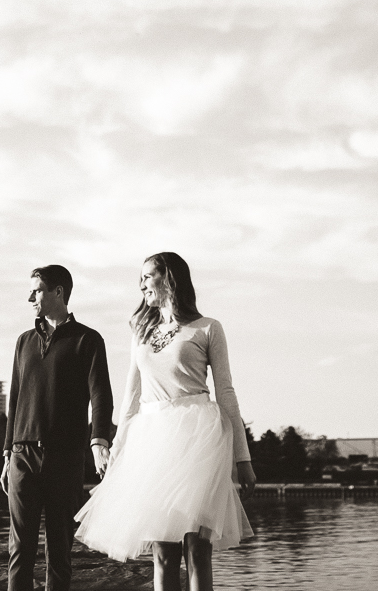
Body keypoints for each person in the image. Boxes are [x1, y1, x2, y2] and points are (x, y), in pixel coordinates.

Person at [74, 252, 256, 591]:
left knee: (197, 548)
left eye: (147, 275)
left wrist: (242, 458)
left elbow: (226, 393)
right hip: (152, 441)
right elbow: (130, 398)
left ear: (169, 278)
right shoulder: (142, 332)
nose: (141, 283)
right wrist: (117, 451)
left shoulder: (207, 328)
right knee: (163, 551)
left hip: (199, 439)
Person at [2, 265, 114, 591]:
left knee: (59, 551)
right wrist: (8, 453)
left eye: (36, 291)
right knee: (19, 548)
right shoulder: (23, 342)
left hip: (65, 457)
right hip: (22, 455)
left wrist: (98, 442)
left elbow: (101, 396)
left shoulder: (88, 340)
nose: (30, 297)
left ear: (58, 292)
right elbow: (14, 400)